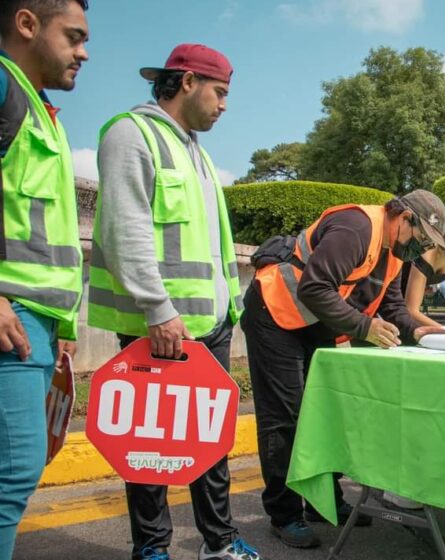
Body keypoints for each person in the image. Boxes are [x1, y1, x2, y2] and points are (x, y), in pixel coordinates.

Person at [88, 44, 262, 560]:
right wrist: (158, 309)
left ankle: (220, 541)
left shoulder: (196, 152)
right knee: (151, 446)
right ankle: (153, 548)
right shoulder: (131, 134)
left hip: (209, 324)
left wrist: (232, 308)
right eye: (221, 92)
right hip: (160, 326)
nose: (225, 105)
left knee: (210, 444)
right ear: (186, 82)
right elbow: (126, 229)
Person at [242, 190, 445, 550]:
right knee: (284, 417)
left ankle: (322, 501)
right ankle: (284, 514)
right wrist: (364, 327)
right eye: (421, 239)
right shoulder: (356, 228)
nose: (421, 249)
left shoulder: (394, 250)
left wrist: (417, 331)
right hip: (275, 315)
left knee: (326, 412)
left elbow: (392, 303)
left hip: (315, 322)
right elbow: (314, 286)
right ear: (403, 218)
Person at [0, 1, 87, 558]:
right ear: (27, 24)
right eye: (74, 36)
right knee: (11, 477)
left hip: (35, 326)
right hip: (13, 321)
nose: (84, 52)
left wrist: (62, 324)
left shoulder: (37, 108)